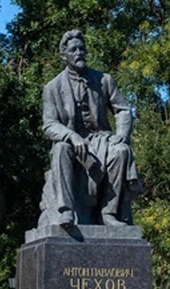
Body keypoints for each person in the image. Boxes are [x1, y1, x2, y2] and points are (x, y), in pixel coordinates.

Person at [39, 29, 143, 228]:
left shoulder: (104, 80)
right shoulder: (52, 88)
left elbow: (122, 110)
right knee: (60, 149)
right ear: (64, 55)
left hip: (101, 139)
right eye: (74, 49)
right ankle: (66, 211)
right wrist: (71, 136)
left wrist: (122, 134)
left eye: (82, 49)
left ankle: (109, 212)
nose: (79, 53)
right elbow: (49, 124)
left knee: (121, 151)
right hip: (72, 142)